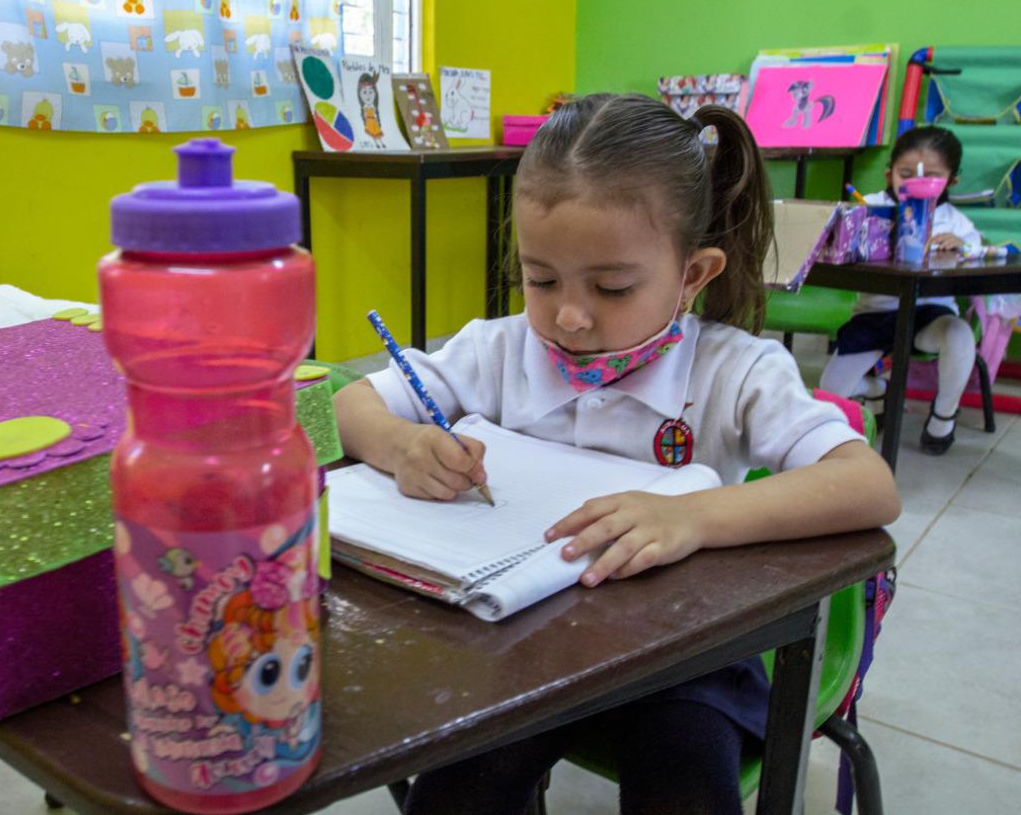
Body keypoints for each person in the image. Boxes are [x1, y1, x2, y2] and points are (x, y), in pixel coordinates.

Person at [332, 93, 900, 815]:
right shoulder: (500, 347)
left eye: (612, 286)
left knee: (685, 787)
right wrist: (404, 443)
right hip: (519, 647)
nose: (568, 315)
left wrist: (690, 516)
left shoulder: (735, 371)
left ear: (693, 273)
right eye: (540, 279)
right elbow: (353, 404)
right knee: (454, 797)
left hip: (684, 660)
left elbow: (867, 486)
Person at [820, 125, 982, 454]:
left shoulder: (955, 221)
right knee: (830, 394)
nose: (917, 182)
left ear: (951, 181)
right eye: (906, 174)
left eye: (932, 175)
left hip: (929, 316)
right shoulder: (871, 208)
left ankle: (943, 418)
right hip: (874, 317)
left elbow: (977, 256)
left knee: (959, 335)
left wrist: (961, 247)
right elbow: (834, 244)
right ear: (889, 172)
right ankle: (877, 389)